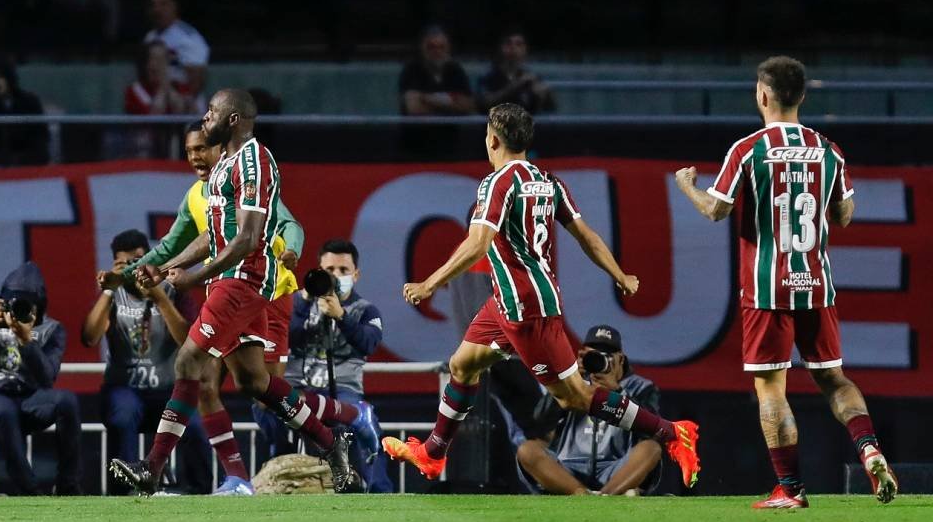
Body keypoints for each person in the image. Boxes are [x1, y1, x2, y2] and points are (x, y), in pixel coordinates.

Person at [383, 103, 701, 489]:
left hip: (526, 308)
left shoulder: (497, 183)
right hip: (505, 301)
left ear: (493, 140)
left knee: (576, 397)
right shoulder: (548, 181)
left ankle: (671, 433)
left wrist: (429, 284)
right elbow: (585, 235)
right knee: (463, 365)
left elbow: (478, 243)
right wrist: (619, 274)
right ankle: (433, 454)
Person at [108, 89, 363, 495]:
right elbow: (213, 235)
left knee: (190, 362)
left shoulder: (255, 160)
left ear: (232, 119)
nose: (204, 118)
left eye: (211, 112)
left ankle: (152, 468)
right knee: (254, 382)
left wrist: (190, 280)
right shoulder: (223, 165)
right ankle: (333, 443)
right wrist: (170, 267)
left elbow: (247, 239)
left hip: (245, 279)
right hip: (228, 279)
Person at [675, 55, 897, 508]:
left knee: (771, 389)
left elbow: (716, 209)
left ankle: (791, 489)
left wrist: (686, 186)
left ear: (762, 94)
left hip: (766, 289)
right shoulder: (827, 149)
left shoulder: (748, 149)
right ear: (803, 96)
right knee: (835, 379)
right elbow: (845, 215)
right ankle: (869, 448)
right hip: (816, 284)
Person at [82, 229, 212, 495]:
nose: (133, 269)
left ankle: (200, 491)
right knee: (123, 413)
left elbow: (188, 341)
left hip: (166, 390)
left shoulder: (171, 292)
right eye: (125, 264)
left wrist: (160, 298)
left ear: (149, 259)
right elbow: (90, 338)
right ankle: (126, 491)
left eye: (139, 261)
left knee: (194, 423)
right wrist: (109, 290)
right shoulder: (114, 296)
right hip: (125, 389)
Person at [0, 262, 81, 495]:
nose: (18, 309)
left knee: (67, 401)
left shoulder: (52, 329)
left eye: (27, 304)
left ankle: (67, 485)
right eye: (13, 302)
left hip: (27, 399)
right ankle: (30, 489)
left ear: (39, 307)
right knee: (3, 410)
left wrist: (27, 342)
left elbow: (47, 378)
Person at [275, 238, 389, 491]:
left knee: (362, 429)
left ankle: (379, 491)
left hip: (344, 391)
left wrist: (341, 316)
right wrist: (305, 299)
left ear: (355, 275)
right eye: (329, 271)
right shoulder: (297, 303)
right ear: (318, 270)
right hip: (299, 387)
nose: (336, 276)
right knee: (268, 408)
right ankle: (279, 477)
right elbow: (284, 336)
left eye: (343, 270)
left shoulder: (365, 310)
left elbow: (368, 344)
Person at [517, 325, 663, 496]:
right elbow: (539, 423)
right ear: (582, 356)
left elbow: (652, 430)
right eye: (592, 356)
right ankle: (581, 494)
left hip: (615, 466)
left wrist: (617, 392)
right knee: (527, 450)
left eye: (605, 357)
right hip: (569, 466)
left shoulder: (640, 387)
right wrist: (567, 381)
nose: (598, 363)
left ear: (621, 360)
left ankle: (608, 494)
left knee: (651, 448)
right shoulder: (574, 382)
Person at [143, 0, 210, 111]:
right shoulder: (149, 37)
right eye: (153, 5)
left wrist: (185, 104)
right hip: (157, 102)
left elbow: (197, 78)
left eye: (163, 4)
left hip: (186, 106)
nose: (157, 9)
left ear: (174, 6)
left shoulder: (188, 37)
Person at [0, 57, 48, 165]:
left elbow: (40, 138)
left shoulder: (29, 102)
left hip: (26, 166)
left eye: (0, 77)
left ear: (9, 78)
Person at [398, 26, 475, 116]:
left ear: (448, 48)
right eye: (431, 47)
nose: (437, 51)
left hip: (449, 129)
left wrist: (425, 98)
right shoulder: (411, 71)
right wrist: (451, 102)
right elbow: (414, 108)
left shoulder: (455, 70)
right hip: (419, 129)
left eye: (441, 47)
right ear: (422, 48)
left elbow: (469, 106)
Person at [477, 31, 556, 115]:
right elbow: (484, 103)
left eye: (518, 44)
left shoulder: (532, 78)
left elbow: (549, 108)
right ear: (500, 48)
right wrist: (515, 86)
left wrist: (546, 96)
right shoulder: (488, 77)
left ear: (525, 50)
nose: (513, 48)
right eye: (508, 43)